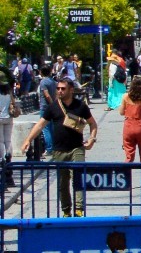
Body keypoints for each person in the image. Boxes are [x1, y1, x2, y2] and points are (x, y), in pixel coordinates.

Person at [18, 77, 97, 215]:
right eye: (58, 88)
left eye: (63, 88)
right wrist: (28, 139)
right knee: (62, 183)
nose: (59, 91)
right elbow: (41, 124)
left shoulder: (80, 106)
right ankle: (66, 211)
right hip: (59, 150)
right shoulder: (53, 107)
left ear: (71, 90)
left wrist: (91, 139)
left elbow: (92, 123)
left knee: (78, 178)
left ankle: (79, 209)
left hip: (76, 148)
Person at [118, 75, 141, 172]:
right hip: (140, 125)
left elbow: (121, 112)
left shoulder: (125, 96)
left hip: (128, 125)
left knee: (129, 153)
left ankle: (125, 175)